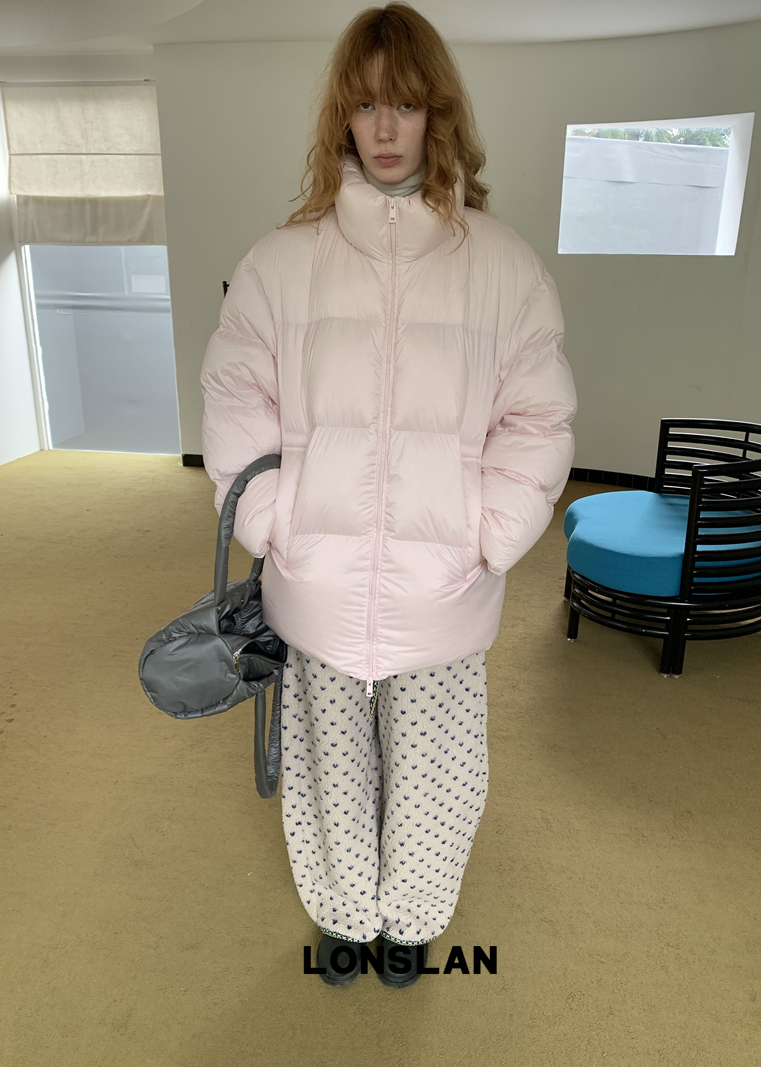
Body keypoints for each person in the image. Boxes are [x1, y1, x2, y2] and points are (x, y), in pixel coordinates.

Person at [200, 2, 577, 989]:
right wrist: (273, 526)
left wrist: (488, 535)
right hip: (315, 578)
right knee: (328, 763)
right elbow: (235, 398)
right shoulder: (280, 263)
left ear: (436, 114)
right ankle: (340, 913)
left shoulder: (504, 266)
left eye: (404, 104)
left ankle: (409, 921)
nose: (384, 127)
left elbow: (537, 418)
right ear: (342, 115)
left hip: (443, 583)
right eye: (365, 105)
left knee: (435, 772)